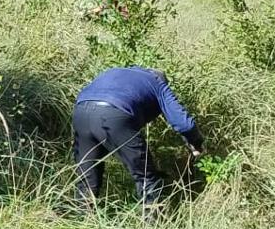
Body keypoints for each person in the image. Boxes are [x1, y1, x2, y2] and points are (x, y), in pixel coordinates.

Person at [73, 66, 205, 209]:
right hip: (115, 114)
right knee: (146, 176)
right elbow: (184, 124)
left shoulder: (115, 71)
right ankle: (152, 227)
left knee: (87, 178)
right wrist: (196, 142)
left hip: (80, 112)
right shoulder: (157, 83)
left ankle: (82, 222)